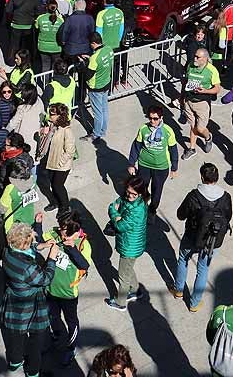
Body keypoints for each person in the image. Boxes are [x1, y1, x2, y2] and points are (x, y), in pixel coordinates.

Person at [174, 162, 233, 311]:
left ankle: (179, 290)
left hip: (192, 236)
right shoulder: (226, 197)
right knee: (203, 269)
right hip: (212, 241)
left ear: (202, 177)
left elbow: (180, 215)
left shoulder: (194, 195)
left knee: (183, 259)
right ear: (217, 177)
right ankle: (194, 303)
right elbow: (228, 217)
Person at [0, 222, 57, 377]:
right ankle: (32, 372)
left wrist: (42, 245)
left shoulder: (7, 251)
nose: (33, 242)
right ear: (25, 243)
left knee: (16, 336)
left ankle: (15, 361)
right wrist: (52, 259)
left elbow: (24, 247)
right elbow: (45, 279)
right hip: (31, 305)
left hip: (13, 301)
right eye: (31, 240)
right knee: (36, 342)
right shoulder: (28, 268)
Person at [44, 210, 91, 365]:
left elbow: (84, 265)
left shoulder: (83, 244)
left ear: (75, 230)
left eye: (65, 231)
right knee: (53, 315)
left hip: (68, 294)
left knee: (71, 321)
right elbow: (40, 239)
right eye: (61, 229)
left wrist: (71, 248)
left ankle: (71, 348)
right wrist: (38, 225)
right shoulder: (58, 234)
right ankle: (56, 334)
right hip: (50, 289)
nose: (61, 234)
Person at [104, 174, 148, 311]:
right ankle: (135, 290)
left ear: (140, 194)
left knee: (123, 276)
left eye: (133, 194)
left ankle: (120, 302)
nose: (129, 196)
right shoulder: (131, 200)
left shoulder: (137, 210)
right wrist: (115, 211)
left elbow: (120, 225)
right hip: (131, 245)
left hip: (130, 246)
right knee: (128, 268)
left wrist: (114, 214)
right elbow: (116, 203)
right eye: (128, 192)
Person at [127, 106, 179, 214]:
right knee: (142, 187)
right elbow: (136, 146)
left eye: (155, 119)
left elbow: (173, 150)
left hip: (161, 167)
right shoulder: (143, 129)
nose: (152, 121)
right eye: (150, 118)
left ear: (161, 118)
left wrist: (174, 168)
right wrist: (131, 163)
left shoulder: (168, 131)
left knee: (157, 190)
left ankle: (152, 211)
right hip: (144, 164)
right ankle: (142, 205)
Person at [181, 47, 220, 157]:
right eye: (195, 56)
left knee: (200, 128)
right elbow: (185, 82)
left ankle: (208, 137)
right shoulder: (190, 65)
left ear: (205, 58)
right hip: (188, 100)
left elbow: (217, 88)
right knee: (193, 126)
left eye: (198, 57)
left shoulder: (212, 70)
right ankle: (192, 148)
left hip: (202, 103)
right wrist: (182, 96)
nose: (195, 58)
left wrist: (206, 91)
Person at [79, 32, 114, 142]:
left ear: (94, 43)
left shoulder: (94, 58)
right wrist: (90, 58)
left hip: (95, 88)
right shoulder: (109, 49)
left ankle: (96, 134)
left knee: (97, 112)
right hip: (106, 83)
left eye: (91, 44)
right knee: (104, 109)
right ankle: (103, 130)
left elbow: (88, 74)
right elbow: (100, 62)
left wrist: (84, 64)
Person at [41, 102, 76, 212]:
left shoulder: (67, 131)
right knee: (53, 184)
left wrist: (60, 162)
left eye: (52, 114)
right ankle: (56, 202)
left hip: (61, 166)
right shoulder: (53, 126)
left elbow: (70, 151)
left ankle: (65, 207)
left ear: (60, 116)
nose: (50, 116)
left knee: (58, 186)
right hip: (52, 162)